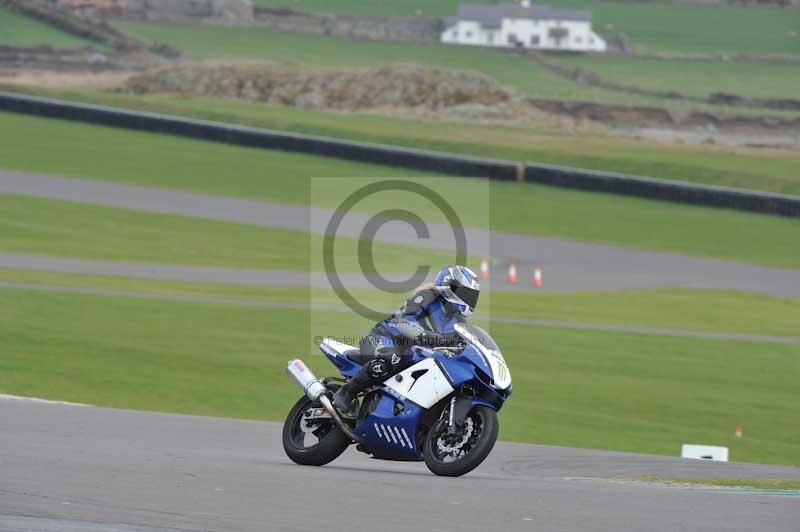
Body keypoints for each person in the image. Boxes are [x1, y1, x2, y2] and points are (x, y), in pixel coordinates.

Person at [332, 265, 481, 418]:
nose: (469, 299)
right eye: (466, 293)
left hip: (413, 352)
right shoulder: (428, 296)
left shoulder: (458, 321)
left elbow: (462, 343)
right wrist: (431, 338)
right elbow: (404, 322)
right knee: (388, 360)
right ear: (450, 287)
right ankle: (346, 393)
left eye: (472, 295)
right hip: (384, 338)